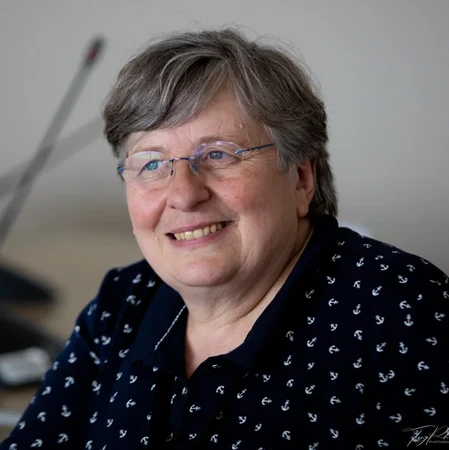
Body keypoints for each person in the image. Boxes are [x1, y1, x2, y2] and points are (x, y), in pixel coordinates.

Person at [1, 27, 448, 450]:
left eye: (218, 154)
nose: (184, 194)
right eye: (151, 163)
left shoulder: (402, 309)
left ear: (301, 179)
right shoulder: (125, 302)